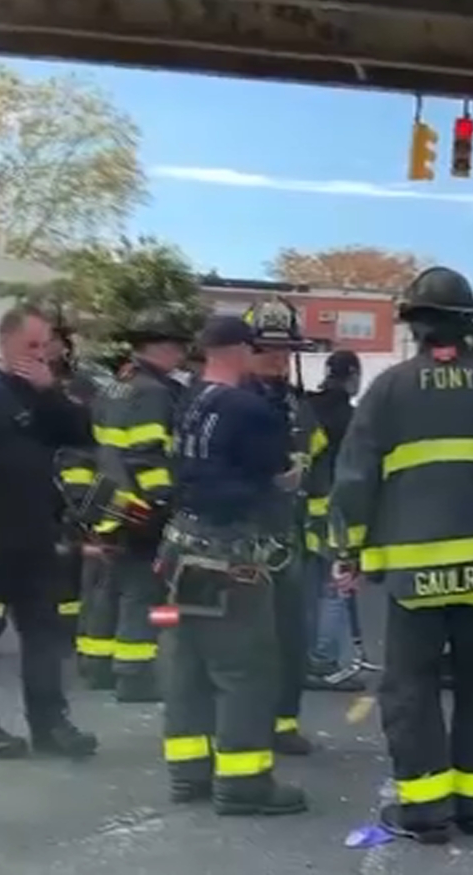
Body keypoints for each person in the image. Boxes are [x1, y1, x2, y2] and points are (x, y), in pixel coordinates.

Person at [332, 266, 473, 844]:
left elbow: (355, 480)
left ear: (417, 326)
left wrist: (347, 550)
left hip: (414, 576)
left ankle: (425, 812)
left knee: (412, 690)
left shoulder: (389, 390)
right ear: (469, 323)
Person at [159, 314, 309, 816]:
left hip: (180, 550)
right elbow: (272, 477)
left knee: (187, 665)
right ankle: (243, 784)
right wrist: (288, 482)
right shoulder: (250, 409)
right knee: (246, 671)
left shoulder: (188, 401)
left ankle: (188, 773)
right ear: (239, 350)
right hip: (231, 559)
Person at [0, 305, 101, 760]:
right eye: (31, 345)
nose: (39, 354)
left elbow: (80, 433)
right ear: (6, 340)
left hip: (35, 533)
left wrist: (49, 392)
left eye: (44, 346)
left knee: (44, 633)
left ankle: (51, 723)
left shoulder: (45, 393)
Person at [86, 309, 192, 702]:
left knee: (108, 586)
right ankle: (134, 674)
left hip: (107, 500)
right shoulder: (154, 391)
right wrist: (161, 501)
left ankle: (97, 664)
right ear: (163, 347)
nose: (182, 356)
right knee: (142, 589)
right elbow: (147, 453)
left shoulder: (116, 385)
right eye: (179, 347)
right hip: (139, 505)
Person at [243, 299, 324, 755]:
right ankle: (247, 727)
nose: (275, 359)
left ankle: (283, 724)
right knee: (248, 643)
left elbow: (321, 468)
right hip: (244, 540)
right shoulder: (232, 401)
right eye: (265, 350)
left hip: (291, 539)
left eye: (284, 350)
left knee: (292, 639)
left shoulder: (297, 405)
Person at [303, 350, 366, 691]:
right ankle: (323, 662)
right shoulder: (351, 417)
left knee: (305, 588)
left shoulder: (305, 406)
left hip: (298, 510)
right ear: (352, 375)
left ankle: (302, 656)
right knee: (335, 588)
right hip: (334, 511)